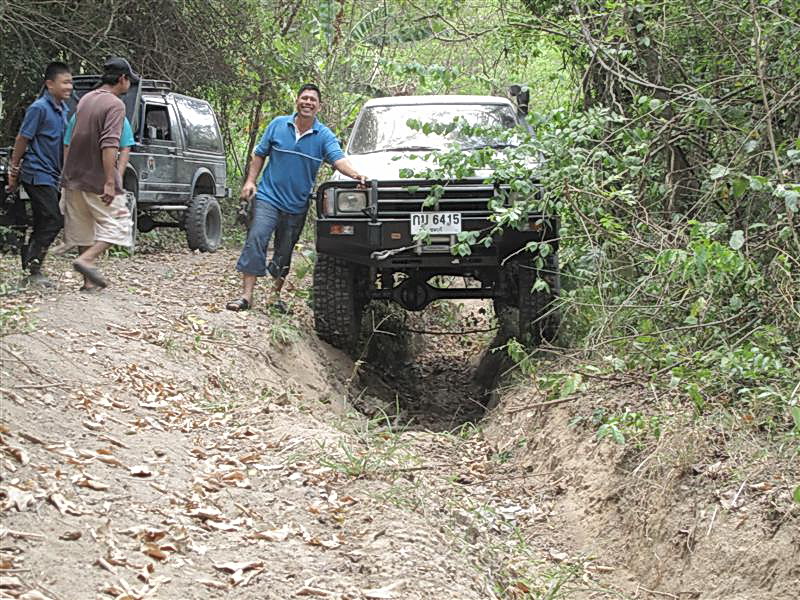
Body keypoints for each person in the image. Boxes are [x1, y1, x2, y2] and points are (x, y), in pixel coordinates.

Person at [226, 83, 367, 312]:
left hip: (297, 204)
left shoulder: (324, 136)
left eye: (313, 99)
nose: (308, 102)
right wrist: (250, 181)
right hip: (268, 197)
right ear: (297, 101)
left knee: (284, 250)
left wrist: (356, 175)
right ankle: (246, 296)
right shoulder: (278, 125)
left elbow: (338, 159)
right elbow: (259, 154)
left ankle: (274, 298)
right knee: (256, 238)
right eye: (304, 98)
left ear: (319, 106)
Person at [60, 57, 139, 291]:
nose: (129, 85)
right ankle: (86, 259)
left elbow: (71, 139)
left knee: (84, 230)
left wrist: (66, 174)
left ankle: (88, 283)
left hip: (74, 176)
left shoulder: (86, 99)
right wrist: (109, 181)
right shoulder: (115, 105)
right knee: (120, 225)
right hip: (96, 178)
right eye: (129, 80)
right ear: (122, 79)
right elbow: (110, 144)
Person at [6, 61, 73, 287]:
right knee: (53, 219)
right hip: (37, 172)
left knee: (44, 219)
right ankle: (32, 264)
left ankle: (32, 268)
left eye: (70, 82)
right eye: (65, 82)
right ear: (49, 84)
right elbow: (22, 138)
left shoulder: (63, 110)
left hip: (53, 174)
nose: (69, 87)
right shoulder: (39, 108)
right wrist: (14, 169)